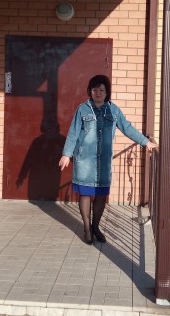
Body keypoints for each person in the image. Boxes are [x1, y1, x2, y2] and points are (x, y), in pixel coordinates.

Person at [59, 74, 157, 244]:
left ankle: (95, 226)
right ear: (90, 91)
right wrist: (66, 154)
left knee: (100, 196)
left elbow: (127, 128)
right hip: (84, 161)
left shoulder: (114, 110)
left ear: (106, 92)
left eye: (101, 90)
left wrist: (145, 142)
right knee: (85, 194)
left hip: (103, 163)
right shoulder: (82, 109)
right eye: (94, 89)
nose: (98, 93)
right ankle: (87, 229)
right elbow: (73, 133)